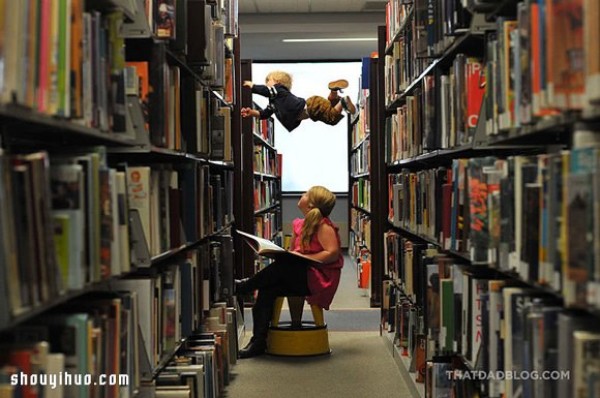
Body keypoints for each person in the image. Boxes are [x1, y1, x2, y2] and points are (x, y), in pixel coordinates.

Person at [235, 186, 344, 358]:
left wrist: (306, 257)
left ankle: (246, 286)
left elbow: (332, 254)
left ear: (310, 205)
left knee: (281, 267)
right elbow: (294, 251)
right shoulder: (299, 225)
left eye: (306, 194)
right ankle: (258, 342)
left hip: (317, 279)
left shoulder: (324, 226)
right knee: (266, 290)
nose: (302, 194)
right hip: (300, 276)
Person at [240, 70, 357, 133]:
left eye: (268, 81)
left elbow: (266, 90)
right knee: (330, 113)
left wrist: (252, 86)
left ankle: (342, 101)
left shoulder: (278, 90)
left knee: (331, 117)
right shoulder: (274, 102)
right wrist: (252, 112)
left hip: (311, 105)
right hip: (312, 107)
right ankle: (333, 92)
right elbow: (264, 114)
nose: (266, 83)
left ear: (278, 82)